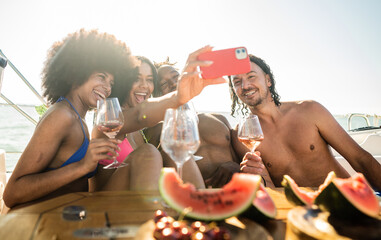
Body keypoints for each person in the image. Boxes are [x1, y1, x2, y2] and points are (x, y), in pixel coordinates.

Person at [3, 28, 225, 208]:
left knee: (158, 151)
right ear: (74, 72)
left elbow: (140, 115)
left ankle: (200, 214)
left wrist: (180, 97)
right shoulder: (61, 115)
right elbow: (11, 194)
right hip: (45, 218)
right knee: (147, 153)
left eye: (111, 81)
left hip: (75, 210)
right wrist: (82, 166)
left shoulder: (75, 116)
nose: (107, 88)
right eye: (100, 77)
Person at [229, 54, 381, 190]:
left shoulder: (310, 110)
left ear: (268, 80)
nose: (245, 86)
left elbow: (360, 159)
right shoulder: (242, 136)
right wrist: (257, 180)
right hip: (301, 211)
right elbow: (269, 188)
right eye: (237, 81)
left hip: (347, 197)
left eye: (251, 77)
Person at [144, 63, 243, 188]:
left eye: (176, 78)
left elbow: (242, 158)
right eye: (164, 84)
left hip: (234, 190)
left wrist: (236, 166)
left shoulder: (219, 119)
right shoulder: (154, 131)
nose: (174, 84)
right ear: (157, 95)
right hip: (191, 197)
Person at [89, 56, 163, 191]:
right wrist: (180, 98)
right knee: (149, 152)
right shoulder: (109, 119)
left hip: (131, 200)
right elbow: (140, 116)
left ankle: (197, 207)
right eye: (136, 78)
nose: (144, 85)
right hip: (104, 204)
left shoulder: (138, 130)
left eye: (150, 80)